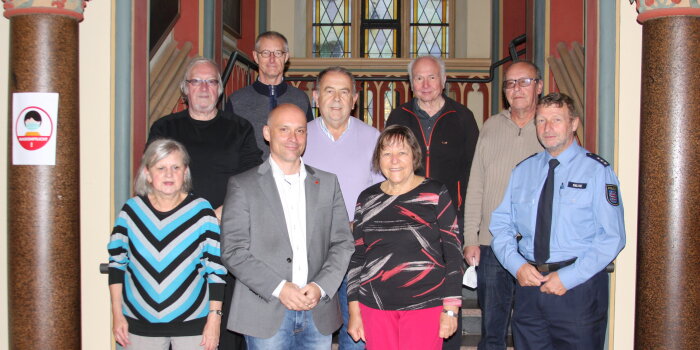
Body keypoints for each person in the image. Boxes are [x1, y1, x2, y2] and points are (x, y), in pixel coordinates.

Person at [490, 93, 626, 349]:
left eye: (556, 120)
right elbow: (501, 225)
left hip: (578, 290)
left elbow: (612, 237)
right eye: (541, 121)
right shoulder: (523, 171)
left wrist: (569, 277)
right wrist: (516, 265)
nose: (547, 128)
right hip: (529, 288)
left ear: (573, 124)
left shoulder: (597, 171)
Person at [148, 56, 262, 349]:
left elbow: (254, 179)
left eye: (210, 81)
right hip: (175, 241)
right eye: (195, 81)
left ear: (220, 89)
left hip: (228, 238)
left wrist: (218, 214)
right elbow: (155, 179)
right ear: (184, 89)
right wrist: (192, 218)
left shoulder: (240, 128)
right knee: (180, 325)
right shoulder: (164, 128)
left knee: (223, 331)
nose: (203, 87)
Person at [220, 103, 355, 349]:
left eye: (300, 131)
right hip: (265, 311)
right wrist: (280, 288)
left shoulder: (327, 183)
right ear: (267, 133)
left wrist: (321, 286)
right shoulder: (243, 186)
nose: (293, 138)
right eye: (284, 129)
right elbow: (233, 251)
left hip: (318, 310)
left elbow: (343, 242)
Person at [347, 125, 464, 350]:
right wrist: (354, 310)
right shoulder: (367, 199)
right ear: (378, 159)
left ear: (414, 156)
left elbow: (453, 253)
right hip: (375, 306)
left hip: (425, 305)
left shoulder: (435, 192)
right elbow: (358, 256)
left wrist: (451, 309)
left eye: (402, 152)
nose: (394, 160)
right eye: (387, 153)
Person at [107, 139, 226, 350]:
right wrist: (117, 315)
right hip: (139, 325)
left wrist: (214, 321)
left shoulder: (201, 211)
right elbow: (117, 264)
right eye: (161, 168)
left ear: (185, 172)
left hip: (194, 326)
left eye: (176, 167)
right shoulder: (131, 211)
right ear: (147, 173)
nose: (169, 174)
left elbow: (216, 269)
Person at [462, 60, 544, 349]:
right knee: (492, 329)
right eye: (510, 83)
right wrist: (470, 238)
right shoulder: (491, 126)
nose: (517, 89)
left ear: (539, 86)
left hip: (535, 246)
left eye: (525, 81)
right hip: (491, 243)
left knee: (530, 326)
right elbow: (476, 186)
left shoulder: (549, 128)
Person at [303, 66, 384, 350]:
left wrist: (357, 222)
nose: (336, 99)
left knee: (357, 334)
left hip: (358, 251)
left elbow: (383, 194)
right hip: (311, 253)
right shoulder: (300, 137)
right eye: (329, 91)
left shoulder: (373, 138)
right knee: (313, 334)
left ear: (354, 100)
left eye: (344, 92)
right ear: (315, 97)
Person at [226, 31, 314, 159]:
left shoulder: (300, 99)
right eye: (266, 53)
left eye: (278, 53)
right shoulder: (237, 101)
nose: (272, 59)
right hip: (251, 176)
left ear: (286, 57)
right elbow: (230, 148)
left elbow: (309, 144)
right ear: (256, 57)